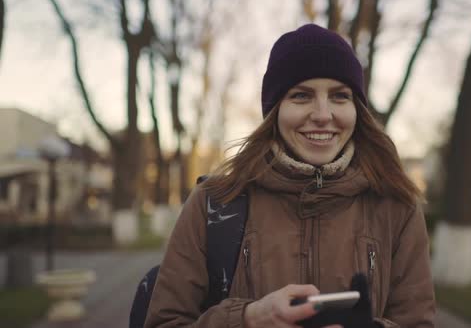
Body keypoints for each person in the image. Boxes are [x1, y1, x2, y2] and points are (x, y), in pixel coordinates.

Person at [144, 23, 435, 328]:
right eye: (301, 96)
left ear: (357, 109)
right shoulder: (215, 202)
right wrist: (249, 319)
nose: (323, 115)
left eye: (339, 96)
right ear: (275, 110)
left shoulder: (397, 206)